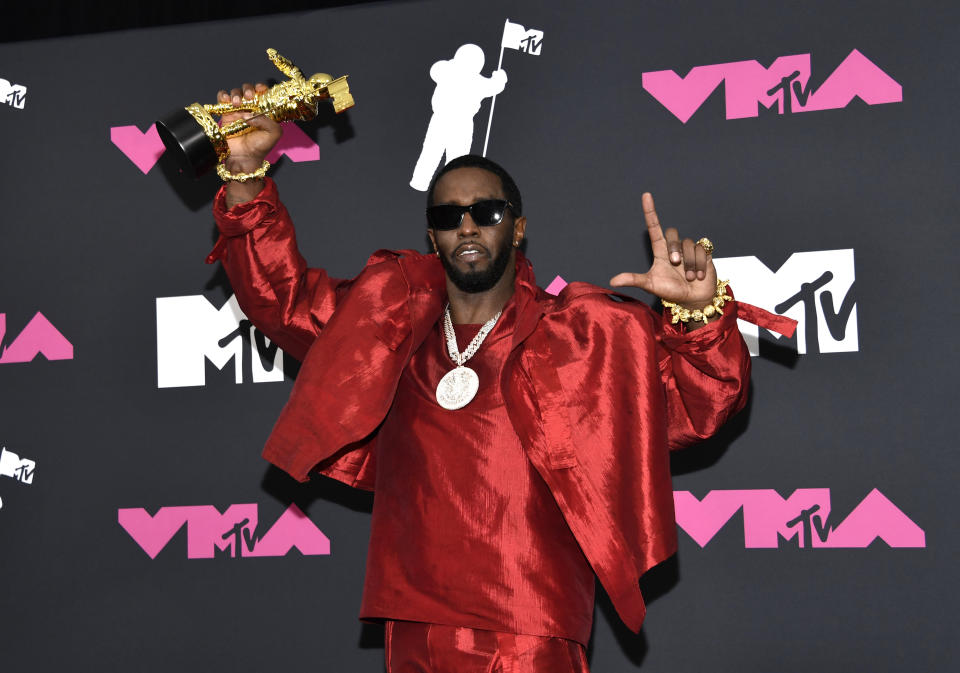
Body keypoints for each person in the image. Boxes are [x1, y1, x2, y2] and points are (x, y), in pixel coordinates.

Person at [204, 83, 769, 673]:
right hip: (412, 618)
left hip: (531, 621)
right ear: (433, 236)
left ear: (517, 228)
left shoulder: (578, 337)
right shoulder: (389, 321)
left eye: (486, 212)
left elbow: (699, 407)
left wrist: (700, 316)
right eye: (448, 216)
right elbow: (282, 298)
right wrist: (243, 169)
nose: (467, 227)